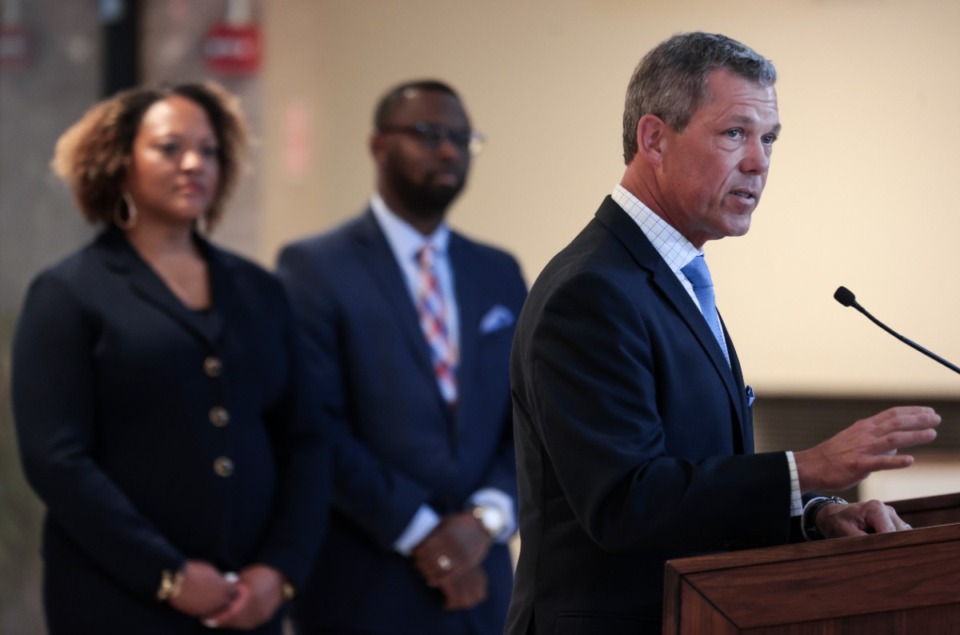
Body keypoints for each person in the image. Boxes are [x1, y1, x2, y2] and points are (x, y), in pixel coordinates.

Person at [506, 31, 942, 635]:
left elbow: (698, 474)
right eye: (735, 133)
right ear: (654, 139)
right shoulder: (592, 291)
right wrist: (806, 468)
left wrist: (811, 516)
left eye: (769, 139)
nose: (760, 162)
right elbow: (626, 503)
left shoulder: (672, 271)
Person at [11, 81, 331, 634]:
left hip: (250, 605)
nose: (193, 163)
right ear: (119, 162)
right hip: (117, 602)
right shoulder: (67, 293)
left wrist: (279, 570)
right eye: (169, 147)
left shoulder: (259, 289)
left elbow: (305, 439)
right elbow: (56, 460)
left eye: (208, 151)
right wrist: (168, 575)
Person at [276, 79, 527, 635]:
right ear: (377, 146)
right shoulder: (313, 267)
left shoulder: (498, 271)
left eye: (462, 139)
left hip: (484, 588)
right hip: (367, 581)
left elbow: (530, 413)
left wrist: (484, 521)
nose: (447, 151)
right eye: (427, 133)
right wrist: (424, 532)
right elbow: (316, 424)